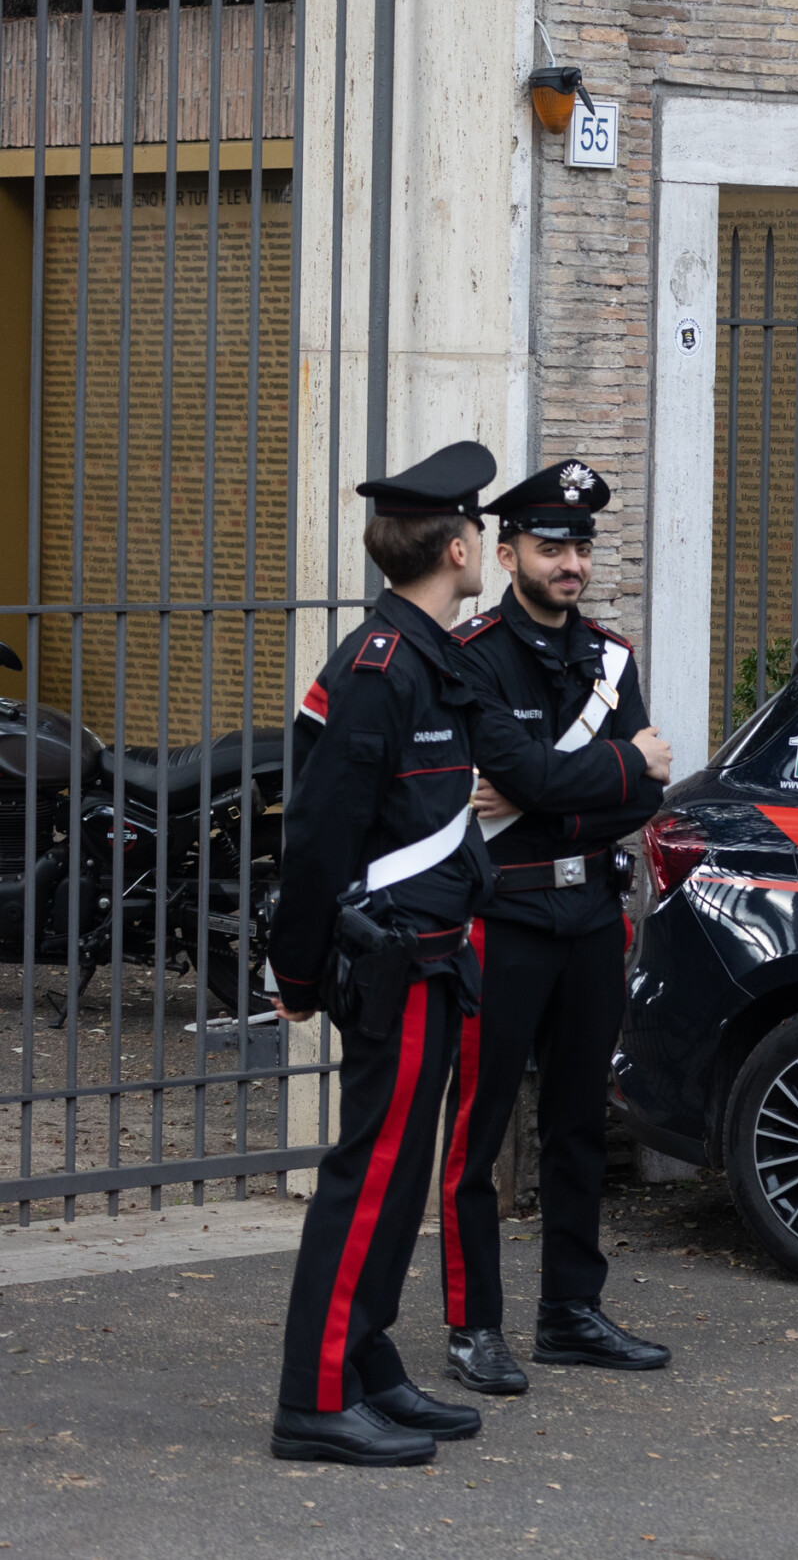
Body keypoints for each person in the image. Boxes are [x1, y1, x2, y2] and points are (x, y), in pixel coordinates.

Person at [267, 441, 501, 1467]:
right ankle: (315, 1397)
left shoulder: (428, 658)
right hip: (395, 966)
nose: (483, 541)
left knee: (400, 1183)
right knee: (367, 1178)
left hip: (436, 959)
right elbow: (318, 834)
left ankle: (364, 1362)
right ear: (457, 547)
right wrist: (296, 971)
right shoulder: (378, 669)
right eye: (479, 528)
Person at [440, 461, 676, 1396]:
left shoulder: (611, 658)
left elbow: (644, 797)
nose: (571, 562)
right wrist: (616, 766)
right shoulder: (473, 656)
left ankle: (571, 1311)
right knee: (480, 1129)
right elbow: (535, 776)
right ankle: (473, 1326)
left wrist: (554, 789)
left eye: (580, 545)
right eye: (551, 547)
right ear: (507, 556)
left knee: (579, 1122)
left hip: (588, 917)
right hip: (502, 915)